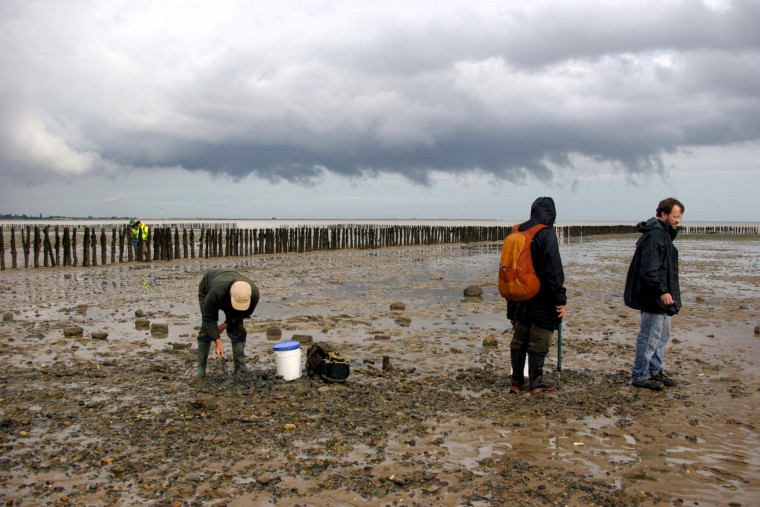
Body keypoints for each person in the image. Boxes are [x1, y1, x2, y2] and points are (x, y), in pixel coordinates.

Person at [507, 197, 567, 395]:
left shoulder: (517, 230)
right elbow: (553, 269)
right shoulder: (546, 234)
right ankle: (536, 381)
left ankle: (516, 380)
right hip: (540, 297)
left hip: (517, 295)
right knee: (539, 339)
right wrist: (560, 299)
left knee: (519, 337)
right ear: (551, 213)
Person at [624, 197, 684, 391]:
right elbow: (649, 270)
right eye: (675, 217)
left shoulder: (663, 234)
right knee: (649, 336)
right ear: (663, 214)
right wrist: (662, 292)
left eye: (680, 217)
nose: (678, 221)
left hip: (661, 297)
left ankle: (654, 370)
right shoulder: (655, 235)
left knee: (661, 336)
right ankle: (640, 375)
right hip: (653, 297)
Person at [196, 268, 260, 378]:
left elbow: (241, 315)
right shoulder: (216, 293)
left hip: (226, 286)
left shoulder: (253, 294)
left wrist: (225, 324)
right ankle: (201, 368)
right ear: (231, 294)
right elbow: (209, 318)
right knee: (206, 330)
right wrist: (217, 342)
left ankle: (240, 366)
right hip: (208, 288)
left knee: (238, 329)